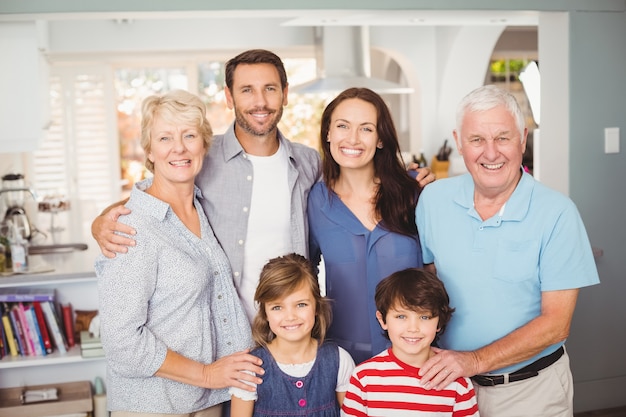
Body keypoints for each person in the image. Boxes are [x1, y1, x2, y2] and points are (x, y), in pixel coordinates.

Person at [92, 50, 435, 324]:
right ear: (229, 97)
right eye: (247, 90)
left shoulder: (309, 163)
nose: (260, 101)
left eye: (270, 89)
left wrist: (409, 181)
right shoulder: (201, 159)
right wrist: (103, 220)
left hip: (296, 330)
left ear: (285, 94)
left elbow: (358, 179)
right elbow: (158, 191)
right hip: (227, 335)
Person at [414, 84, 600, 417]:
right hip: (450, 389)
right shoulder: (433, 200)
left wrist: (472, 361)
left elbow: (557, 323)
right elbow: (428, 285)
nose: (490, 153)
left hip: (530, 392)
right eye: (476, 140)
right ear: (458, 142)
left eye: (502, 137)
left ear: (523, 139)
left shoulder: (558, 213)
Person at [95, 90, 263, 417]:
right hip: (153, 405)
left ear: (203, 144)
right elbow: (121, 344)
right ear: (149, 151)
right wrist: (207, 374)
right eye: (165, 138)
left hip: (206, 401)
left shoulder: (200, 209)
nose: (179, 148)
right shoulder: (130, 228)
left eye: (189, 135)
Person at [308, 87, 424, 364]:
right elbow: (307, 274)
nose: (352, 138)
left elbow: (439, 271)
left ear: (381, 138)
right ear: (328, 133)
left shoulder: (415, 191)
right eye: (342, 126)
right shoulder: (315, 201)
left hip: (416, 356)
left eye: (366, 129)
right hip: (345, 361)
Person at [230, 253, 356, 417]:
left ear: (317, 307)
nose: (290, 317)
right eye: (277, 307)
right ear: (265, 313)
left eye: (301, 304)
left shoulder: (340, 360)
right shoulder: (250, 369)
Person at [341, 268, 480, 416]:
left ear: (439, 322)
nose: (413, 328)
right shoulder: (364, 378)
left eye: (424, 317)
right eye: (401, 316)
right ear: (383, 320)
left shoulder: (456, 381)